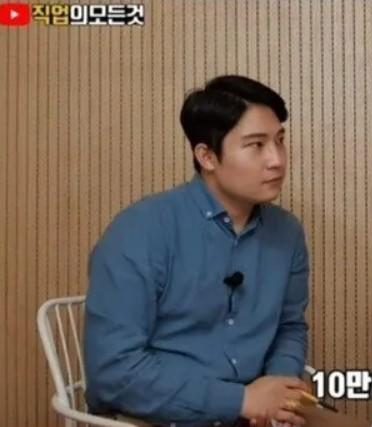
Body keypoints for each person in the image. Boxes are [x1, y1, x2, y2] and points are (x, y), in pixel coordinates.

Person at [84, 75, 310, 427]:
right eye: (256, 145)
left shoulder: (287, 233)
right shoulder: (140, 230)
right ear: (206, 156)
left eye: (279, 141)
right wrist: (241, 400)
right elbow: (113, 372)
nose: (277, 160)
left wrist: (279, 393)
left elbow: (289, 327)